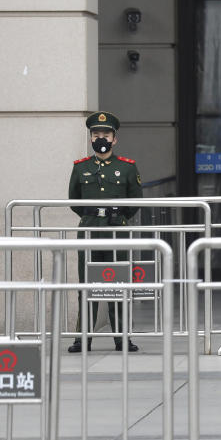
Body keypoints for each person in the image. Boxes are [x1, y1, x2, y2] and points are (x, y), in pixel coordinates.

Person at [68, 111, 143, 353]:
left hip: (116, 233)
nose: (101, 138)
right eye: (96, 134)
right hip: (89, 230)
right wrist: (92, 217)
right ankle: (83, 339)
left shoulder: (127, 168)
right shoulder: (80, 168)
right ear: (91, 138)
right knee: (86, 286)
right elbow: (74, 201)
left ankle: (122, 339)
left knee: (118, 285)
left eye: (106, 134)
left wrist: (118, 218)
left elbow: (135, 201)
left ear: (114, 139)